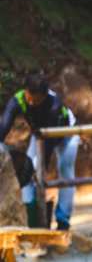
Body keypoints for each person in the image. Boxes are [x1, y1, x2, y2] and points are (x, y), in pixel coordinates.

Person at [0, 72, 79, 230]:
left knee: (65, 171)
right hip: (40, 135)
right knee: (26, 173)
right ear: (26, 91)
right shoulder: (19, 99)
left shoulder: (54, 104)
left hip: (66, 133)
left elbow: (48, 146)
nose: (31, 102)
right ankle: (32, 216)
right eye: (29, 97)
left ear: (44, 96)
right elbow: (4, 126)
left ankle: (63, 219)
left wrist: (38, 168)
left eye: (36, 100)